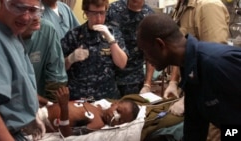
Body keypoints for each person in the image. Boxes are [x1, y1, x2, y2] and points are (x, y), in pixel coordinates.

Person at [137, 12, 241, 141]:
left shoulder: (216, 64)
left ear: (160, 45)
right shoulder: (190, 69)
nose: (146, 59)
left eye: (146, 51)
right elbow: (195, 128)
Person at [0, 0, 45, 140]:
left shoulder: (11, 32)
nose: (26, 17)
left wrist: (28, 116)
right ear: (3, 2)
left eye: (33, 10)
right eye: (19, 7)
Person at [61, 0, 128, 100]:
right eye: (94, 13)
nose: (99, 18)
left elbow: (122, 64)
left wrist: (111, 40)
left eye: (102, 13)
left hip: (107, 97)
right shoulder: (74, 35)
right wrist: (70, 59)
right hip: (80, 98)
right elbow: (58, 69)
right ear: (86, 13)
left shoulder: (113, 33)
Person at [38, 86, 140, 137]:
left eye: (120, 120)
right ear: (114, 103)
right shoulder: (95, 105)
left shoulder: (97, 123)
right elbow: (62, 106)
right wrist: (47, 102)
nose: (115, 117)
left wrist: (64, 107)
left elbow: (67, 134)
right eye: (118, 111)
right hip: (40, 109)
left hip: (39, 124)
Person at [106, 0, 155, 96]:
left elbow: (151, 53)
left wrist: (147, 84)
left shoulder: (149, 17)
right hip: (109, 76)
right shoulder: (113, 9)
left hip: (133, 79)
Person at [22, 16, 67, 104]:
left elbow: (57, 77)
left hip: (38, 99)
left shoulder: (47, 30)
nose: (35, 16)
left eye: (37, 9)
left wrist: (52, 107)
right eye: (30, 9)